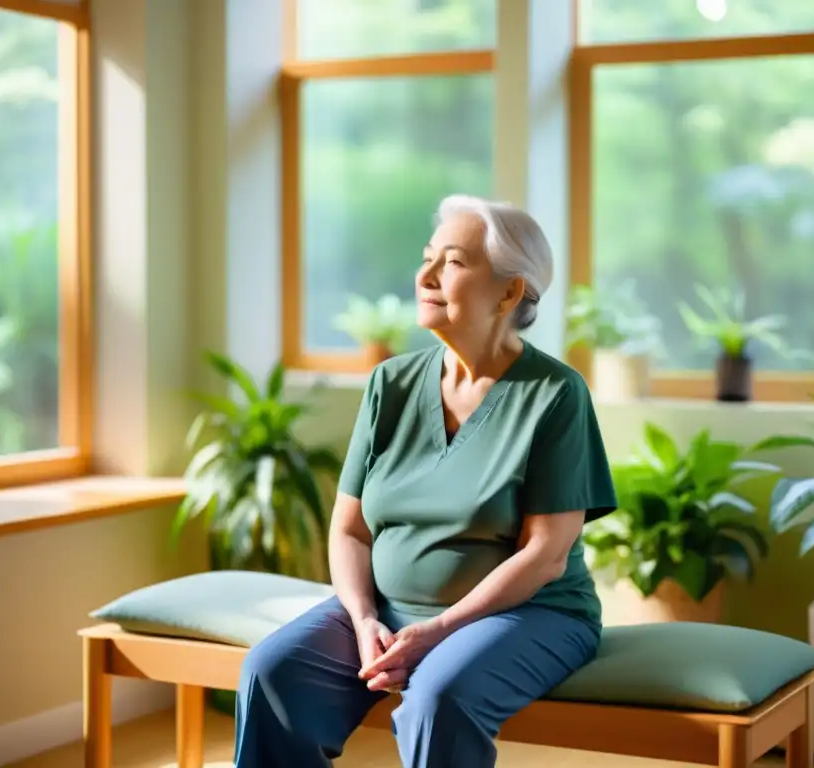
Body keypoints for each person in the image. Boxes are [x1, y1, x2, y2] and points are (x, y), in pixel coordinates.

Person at [234, 194, 617, 767]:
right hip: (385, 611)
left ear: (510, 292)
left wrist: (439, 629)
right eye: (427, 257)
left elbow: (544, 556)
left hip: (530, 614)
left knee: (439, 697)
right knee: (272, 672)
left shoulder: (556, 395)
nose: (427, 275)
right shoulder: (389, 383)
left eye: (455, 262)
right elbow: (350, 531)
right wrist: (363, 619)